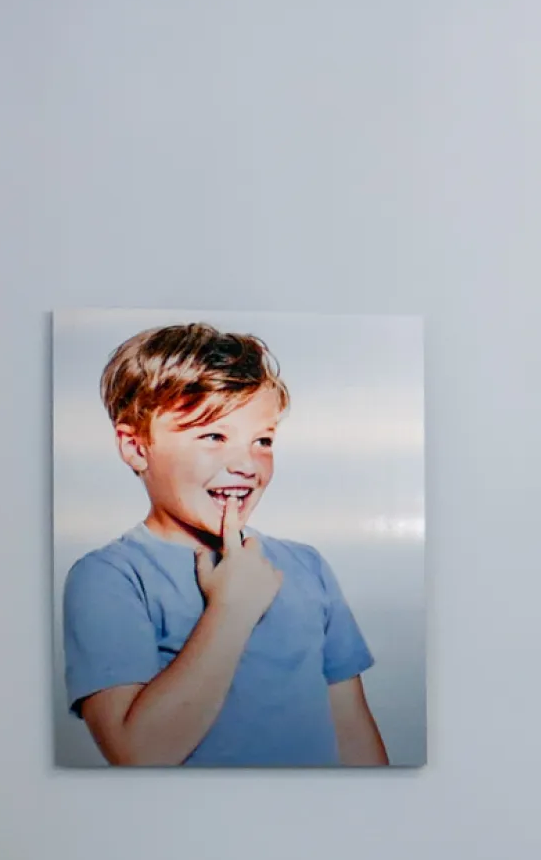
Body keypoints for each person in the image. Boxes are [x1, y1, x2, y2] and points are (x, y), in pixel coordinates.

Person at [64, 323, 388, 767]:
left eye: (263, 440)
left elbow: (355, 739)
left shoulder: (306, 566)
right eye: (214, 436)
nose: (245, 464)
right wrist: (232, 609)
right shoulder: (109, 578)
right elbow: (137, 754)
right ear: (136, 446)